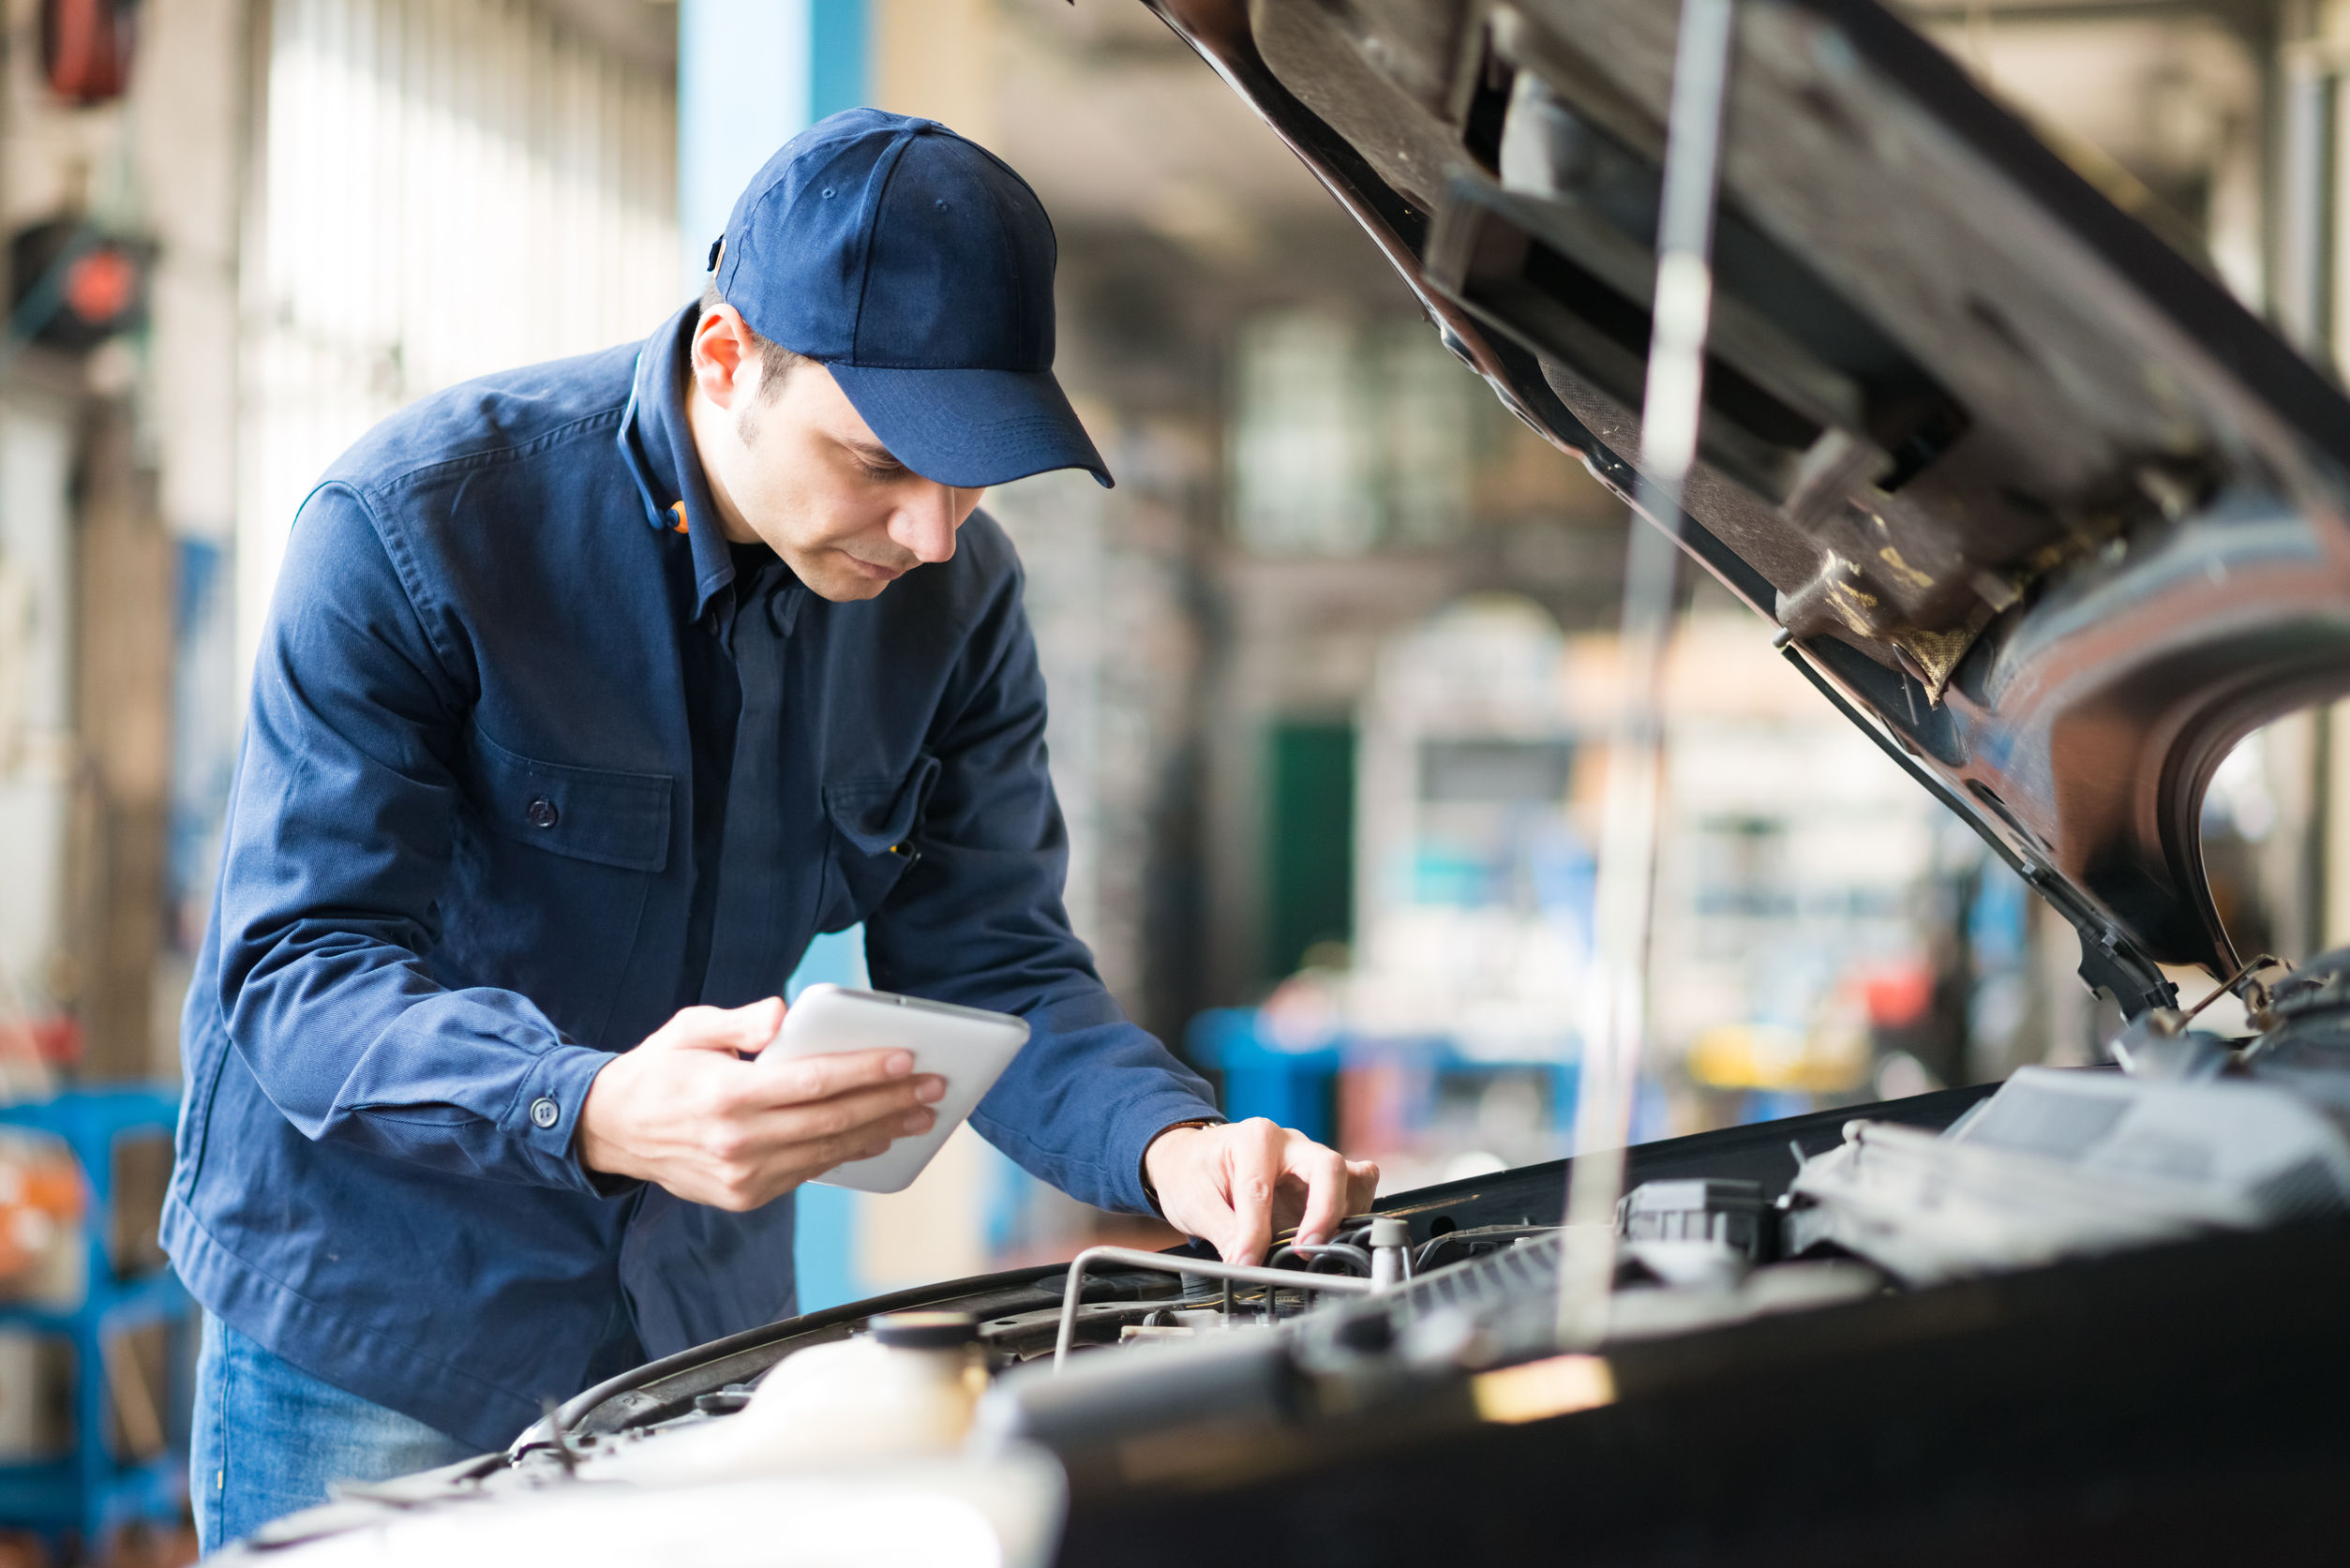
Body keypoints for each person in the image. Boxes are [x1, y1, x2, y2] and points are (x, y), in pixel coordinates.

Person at [165, 109, 1378, 1550]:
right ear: (729, 358)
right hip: (383, 1326)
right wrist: (592, 1102)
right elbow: (296, 974)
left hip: (700, 1338)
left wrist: (1169, 1144)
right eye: (882, 461)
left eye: (972, 470)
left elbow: (988, 960)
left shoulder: (957, 603)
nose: (933, 532)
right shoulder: (415, 532)